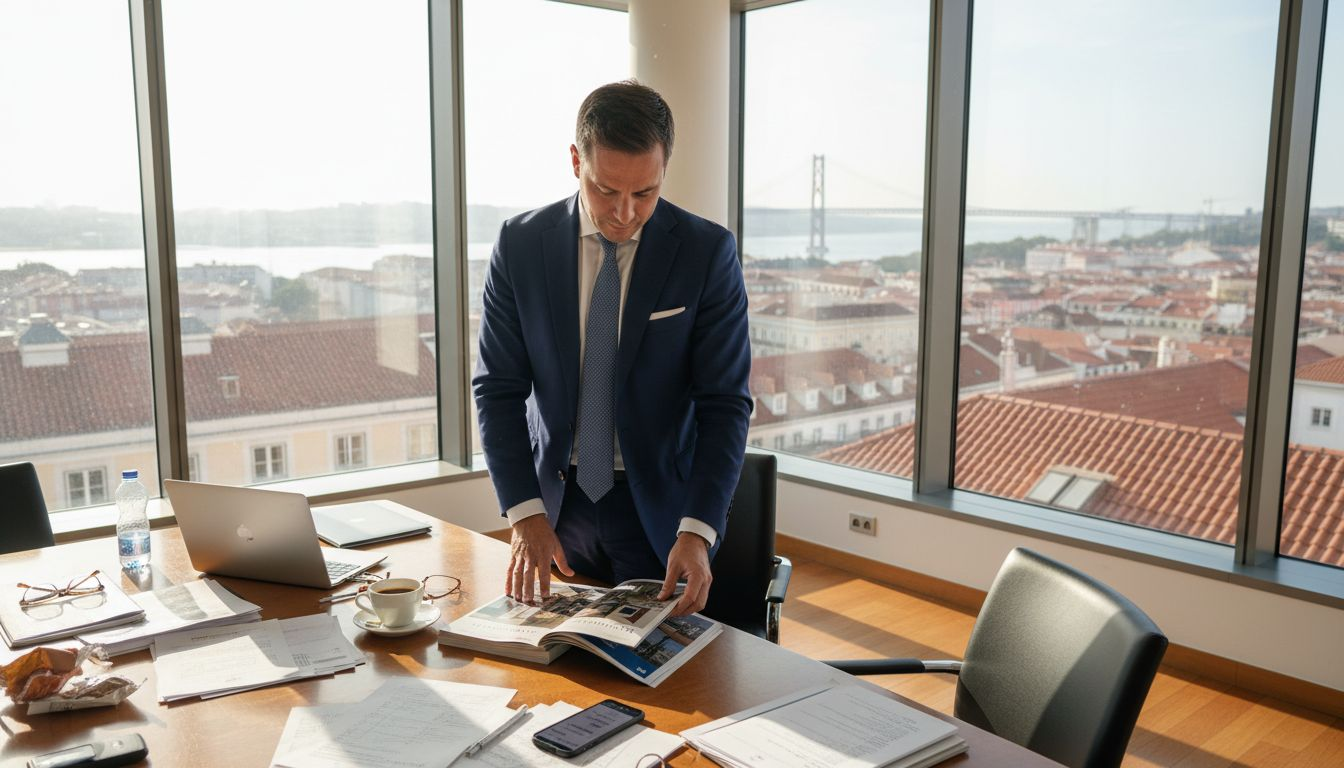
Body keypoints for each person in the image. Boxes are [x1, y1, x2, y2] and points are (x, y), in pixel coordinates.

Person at [473, 80, 751, 617]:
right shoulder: (520, 245)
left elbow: (725, 403)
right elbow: (498, 390)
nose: (624, 213)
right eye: (606, 189)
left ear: (665, 167)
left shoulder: (707, 252)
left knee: (664, 680)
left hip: (662, 517)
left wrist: (697, 531)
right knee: (563, 675)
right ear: (576, 160)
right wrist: (524, 512)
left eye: (644, 193)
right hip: (559, 509)